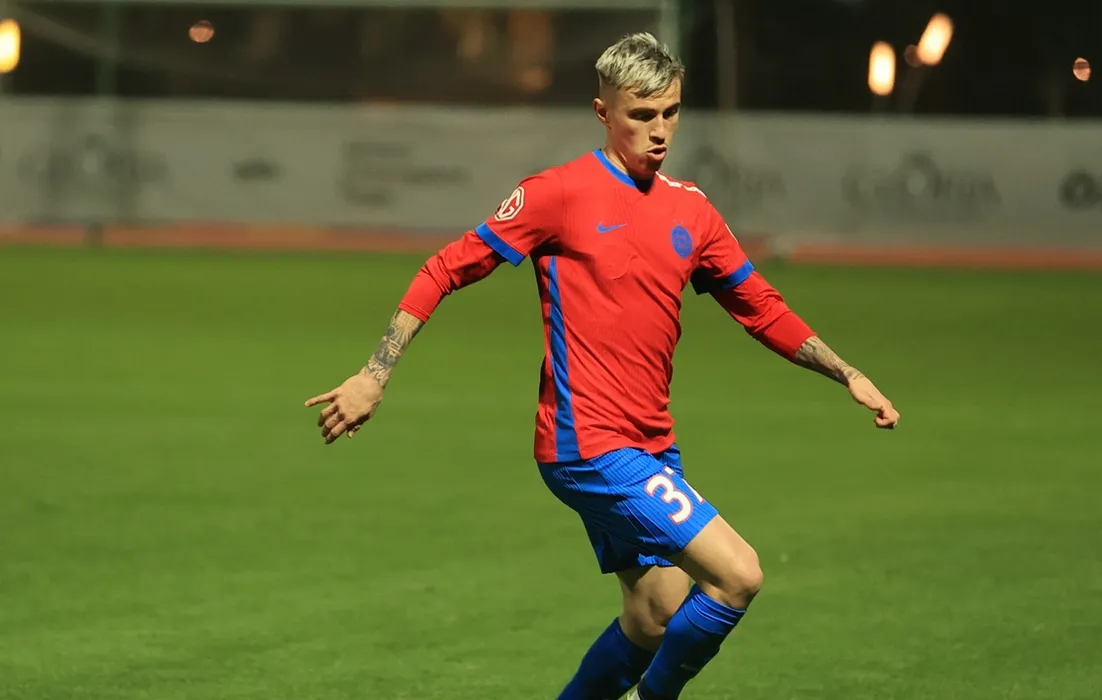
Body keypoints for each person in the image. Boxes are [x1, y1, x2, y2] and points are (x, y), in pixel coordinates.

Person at [304, 32, 900, 700]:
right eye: (641, 115)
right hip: (586, 444)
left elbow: (759, 306)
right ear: (603, 112)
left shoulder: (692, 209)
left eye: (670, 112)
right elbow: (445, 268)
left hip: (651, 444)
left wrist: (848, 373)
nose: (660, 130)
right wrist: (374, 373)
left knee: (653, 614)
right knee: (738, 575)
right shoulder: (557, 194)